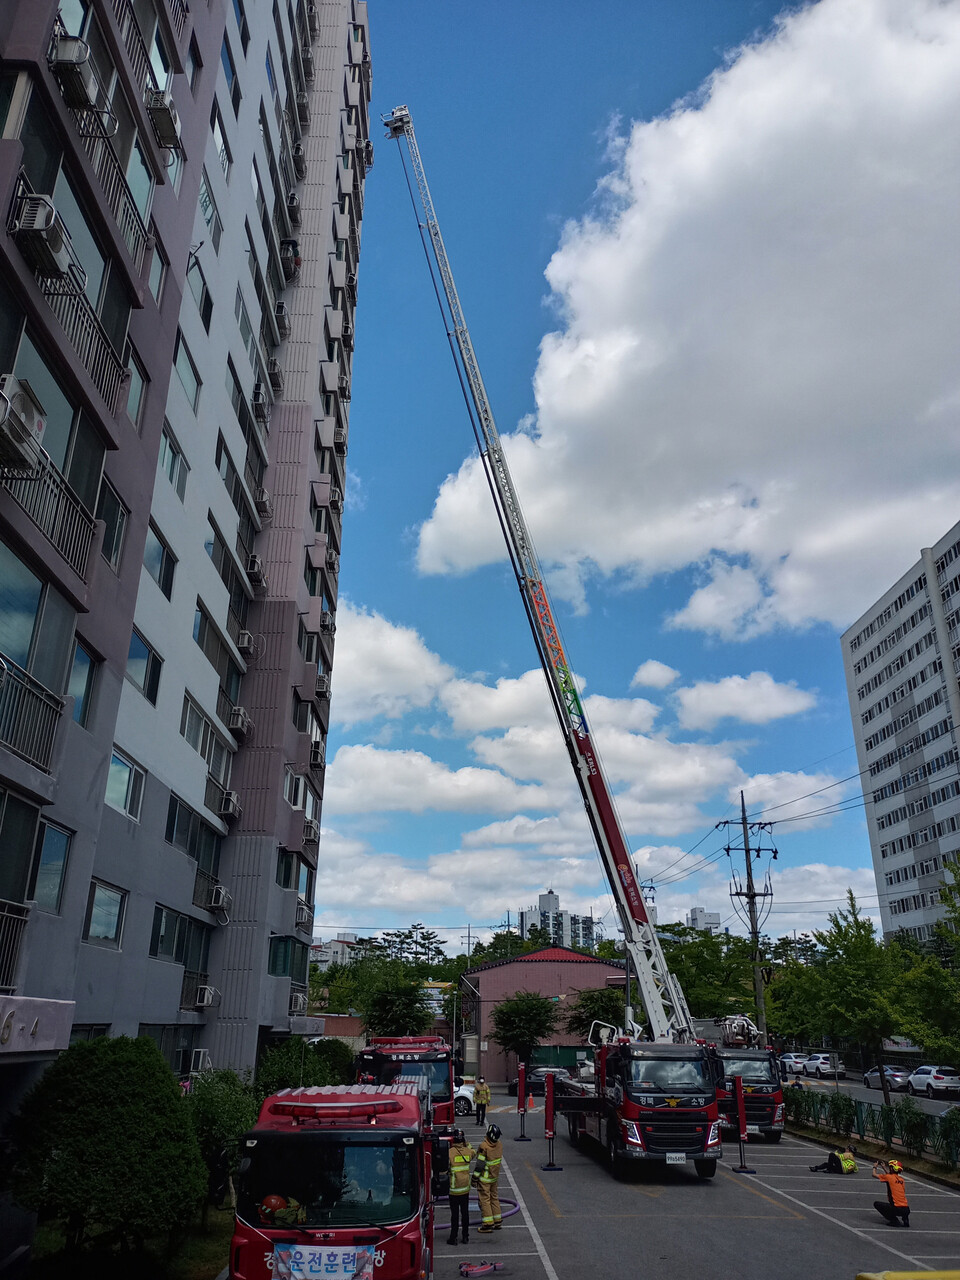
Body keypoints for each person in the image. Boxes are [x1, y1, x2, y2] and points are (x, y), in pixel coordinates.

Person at [446, 1128, 476, 1246]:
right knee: (465, 1214)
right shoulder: (468, 1151)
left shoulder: (449, 1152)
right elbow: (473, 1151)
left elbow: (444, 1168)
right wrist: (466, 1143)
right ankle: (465, 1236)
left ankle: (453, 1238)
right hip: (465, 1189)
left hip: (453, 1189)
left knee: (454, 1215)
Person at [473, 1123, 503, 1233]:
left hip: (485, 1179)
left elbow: (480, 1165)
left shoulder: (484, 1147)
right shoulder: (499, 1145)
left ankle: (487, 1224)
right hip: (494, 1178)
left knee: (485, 1200)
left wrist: (474, 1179)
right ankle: (497, 1220)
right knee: (494, 1198)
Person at [873, 1159, 910, 1227]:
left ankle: (894, 1220)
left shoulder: (889, 1177)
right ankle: (905, 1219)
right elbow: (891, 1177)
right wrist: (884, 1168)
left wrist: (875, 1167)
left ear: (892, 1169)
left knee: (877, 1204)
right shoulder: (901, 1180)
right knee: (901, 1204)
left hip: (896, 1208)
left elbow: (874, 1174)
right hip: (906, 1209)